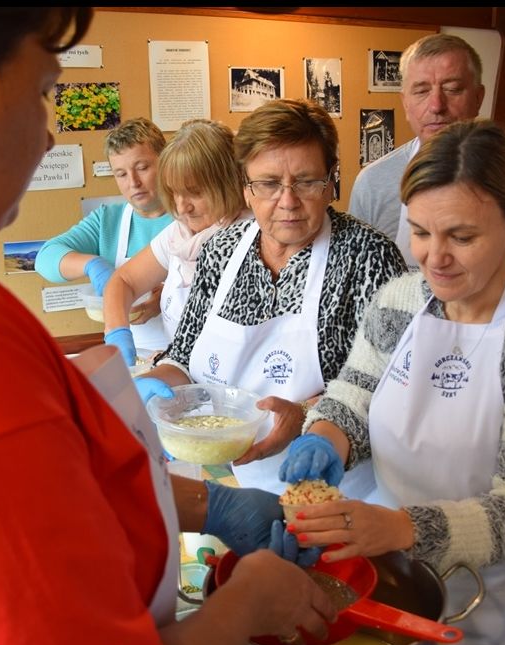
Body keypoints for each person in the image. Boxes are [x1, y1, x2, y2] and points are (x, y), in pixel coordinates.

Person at [0, 9, 339, 645]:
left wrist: (206, 503)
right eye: (46, 89)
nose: (49, 130)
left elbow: (58, 481)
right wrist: (247, 600)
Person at [281, 119, 505, 645]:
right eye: (420, 232)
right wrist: (326, 435)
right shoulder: (401, 300)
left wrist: (401, 528)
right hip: (404, 581)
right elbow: (355, 391)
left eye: (461, 236)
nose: (434, 258)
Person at [135, 98, 406, 496]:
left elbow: (392, 386)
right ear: (246, 189)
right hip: (242, 475)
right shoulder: (220, 251)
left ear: (331, 182)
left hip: (342, 487)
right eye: (267, 184)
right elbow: (185, 352)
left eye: (306, 181)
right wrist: (156, 385)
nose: (287, 200)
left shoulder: (369, 257)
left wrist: (306, 415)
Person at [348, 33, 505, 268]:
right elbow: (359, 276)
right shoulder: (373, 182)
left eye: (453, 89)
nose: (437, 105)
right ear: (405, 104)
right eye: (421, 91)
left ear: (479, 97)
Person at [103, 118, 249, 367]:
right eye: (173, 193)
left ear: (229, 183)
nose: (181, 207)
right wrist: (117, 333)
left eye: (194, 192)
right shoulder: (180, 233)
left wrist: (170, 363)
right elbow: (124, 280)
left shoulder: (251, 237)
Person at [35, 116, 172, 353]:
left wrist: (170, 298)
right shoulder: (108, 220)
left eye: (142, 167)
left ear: (166, 162)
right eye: (121, 174)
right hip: (133, 353)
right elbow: (45, 259)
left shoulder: (191, 216)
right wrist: (93, 265)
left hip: (187, 356)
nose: (134, 182)